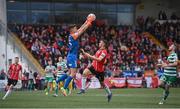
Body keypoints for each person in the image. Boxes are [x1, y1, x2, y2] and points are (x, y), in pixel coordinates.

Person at [58, 14, 96, 96]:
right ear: (72, 30)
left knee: (69, 73)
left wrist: (86, 21)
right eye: (75, 28)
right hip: (72, 56)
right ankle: (64, 88)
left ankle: (57, 81)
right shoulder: (74, 35)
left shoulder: (72, 35)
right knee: (73, 73)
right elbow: (82, 31)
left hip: (70, 55)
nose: (76, 29)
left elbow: (80, 29)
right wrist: (88, 23)